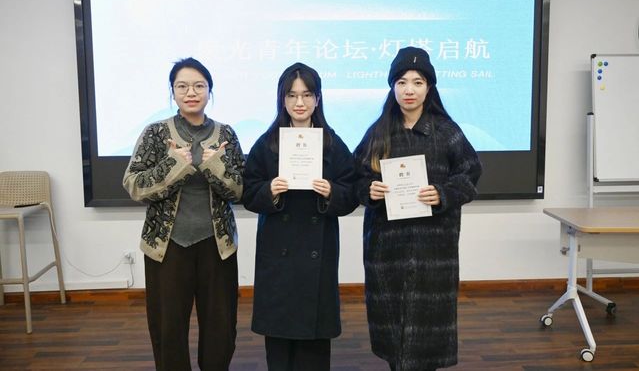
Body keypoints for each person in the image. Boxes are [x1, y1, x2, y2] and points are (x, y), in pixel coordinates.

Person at [353, 47, 482, 371]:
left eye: (418, 82)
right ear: (392, 86)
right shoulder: (378, 132)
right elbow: (355, 177)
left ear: (429, 87)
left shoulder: (447, 132)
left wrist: (442, 194)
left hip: (433, 250)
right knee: (393, 334)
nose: (409, 90)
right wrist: (368, 189)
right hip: (387, 249)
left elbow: (470, 175)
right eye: (401, 82)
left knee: (427, 338)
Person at [122, 57, 245, 371]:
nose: (191, 92)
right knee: (168, 328)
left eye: (199, 86)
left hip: (217, 246)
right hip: (167, 247)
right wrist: (174, 164)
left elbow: (240, 190)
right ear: (173, 92)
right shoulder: (155, 133)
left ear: (209, 91)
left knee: (220, 327)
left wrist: (215, 166)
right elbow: (134, 185)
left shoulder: (226, 134)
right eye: (183, 86)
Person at [242, 62, 359, 371]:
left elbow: (352, 191)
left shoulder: (332, 143)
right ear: (282, 99)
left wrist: (332, 191)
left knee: (314, 347)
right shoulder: (267, 143)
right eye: (292, 95)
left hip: (317, 253)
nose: (299, 103)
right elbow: (247, 191)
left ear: (318, 99)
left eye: (307, 95)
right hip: (277, 253)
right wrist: (269, 190)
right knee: (279, 344)